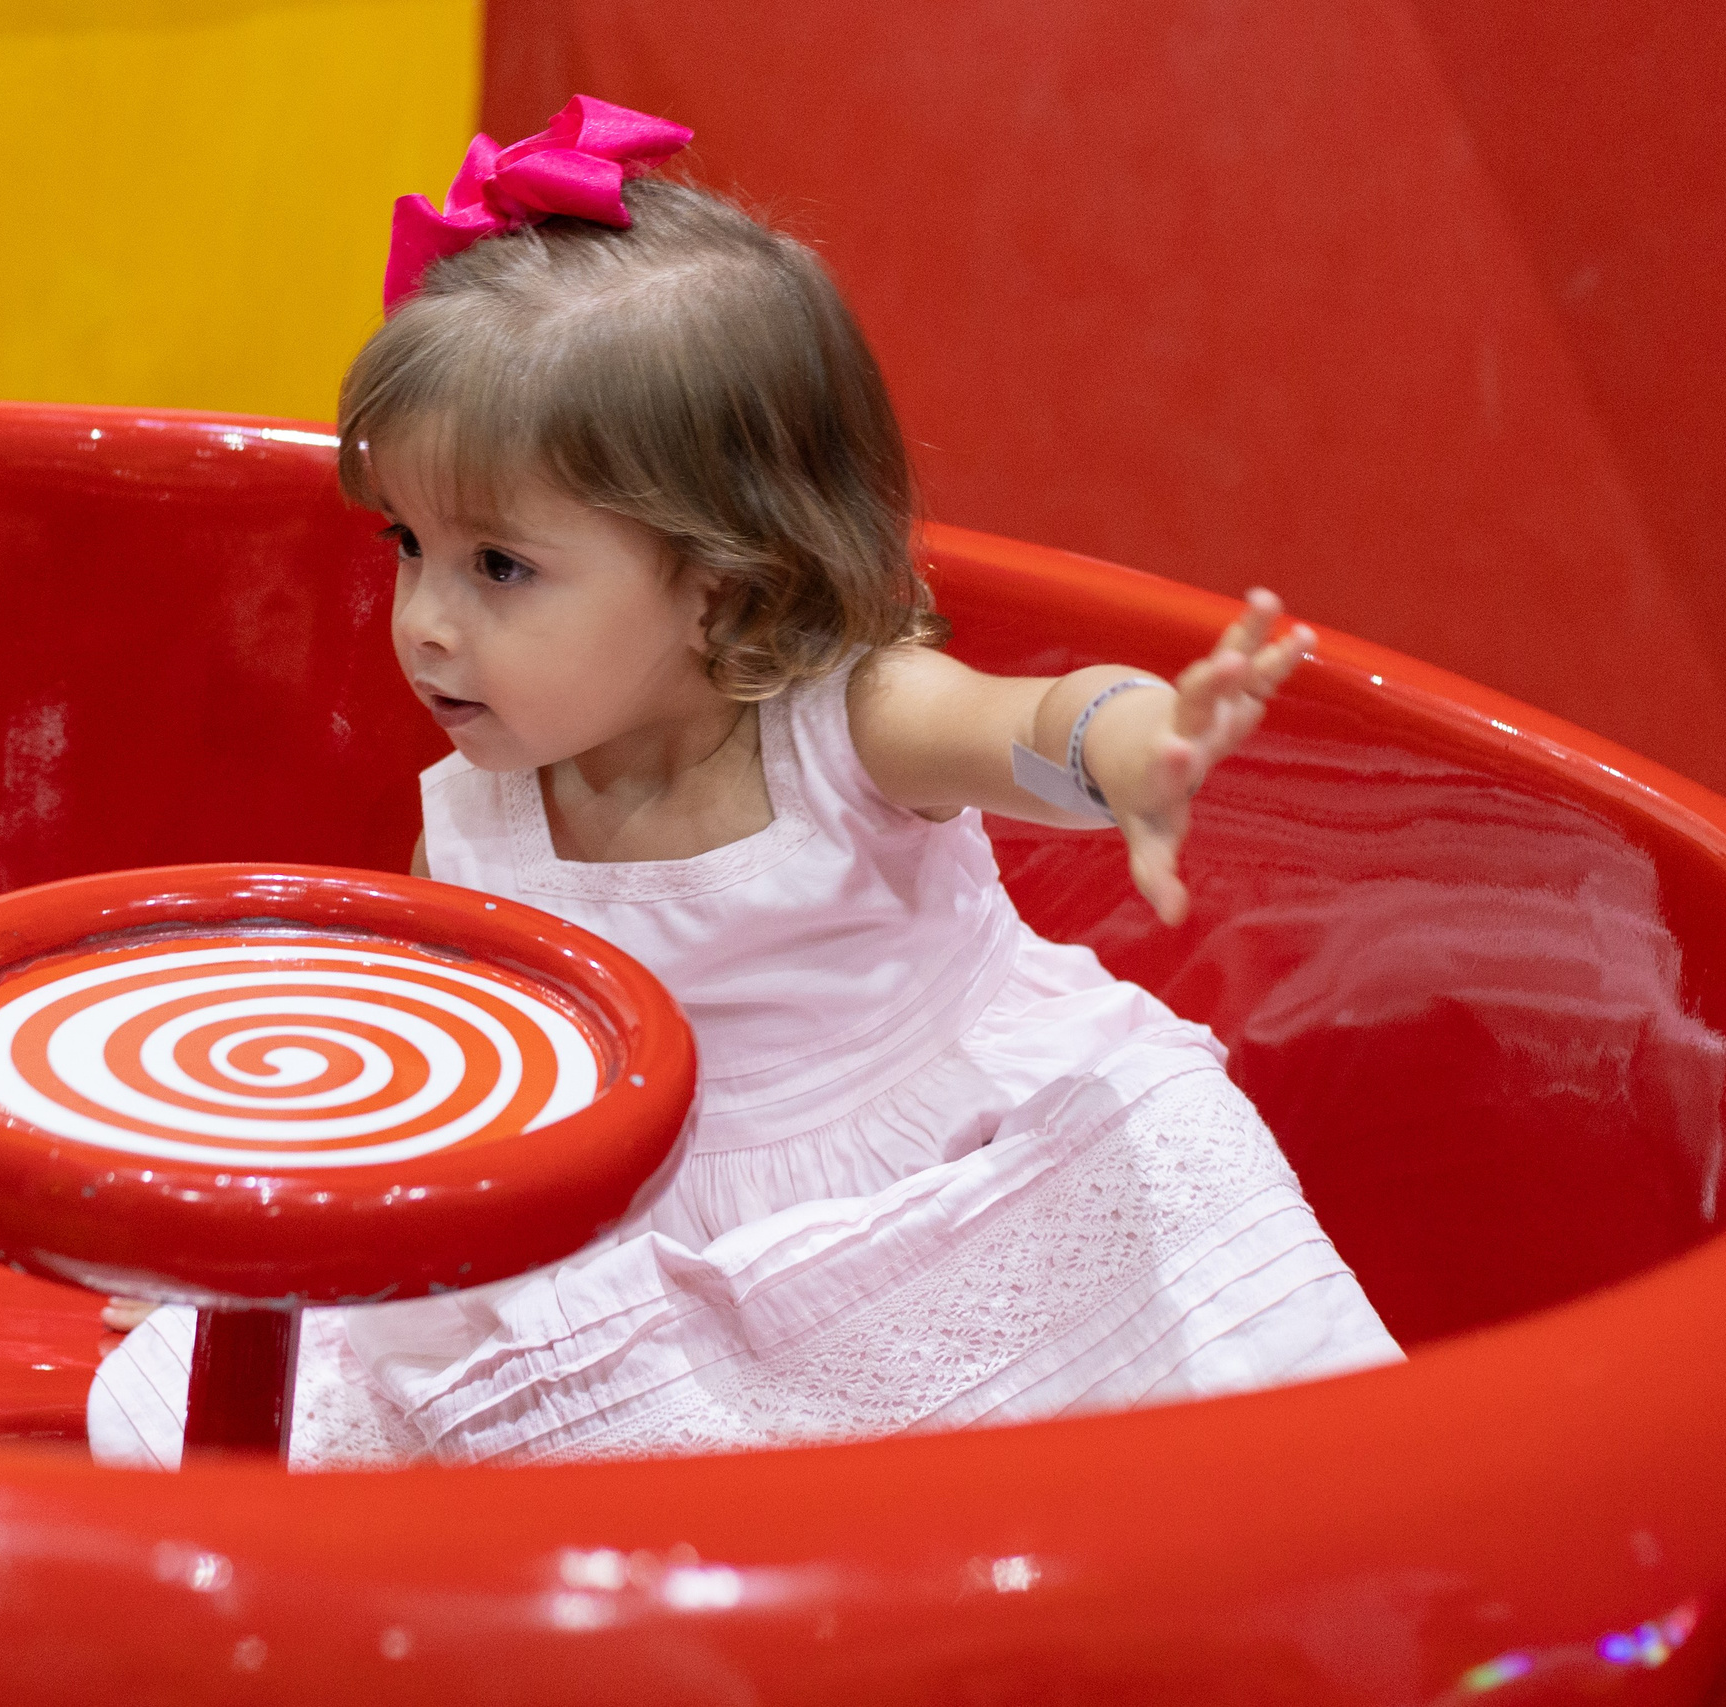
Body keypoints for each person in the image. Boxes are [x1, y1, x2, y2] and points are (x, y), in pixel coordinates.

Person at [89, 96, 1400, 1471]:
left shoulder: (846, 721)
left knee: (1159, 1204)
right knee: (280, 1432)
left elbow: (1027, 721)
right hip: (636, 1248)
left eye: (498, 568)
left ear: (719, 582)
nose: (424, 620)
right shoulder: (479, 816)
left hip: (935, 1197)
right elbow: (435, 1060)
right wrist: (279, 1214)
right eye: (407, 545)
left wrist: (1134, 751)